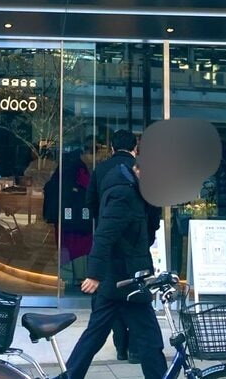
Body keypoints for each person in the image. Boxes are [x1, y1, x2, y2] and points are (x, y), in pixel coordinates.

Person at [65, 158, 166, 379]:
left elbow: (146, 228)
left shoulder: (135, 190)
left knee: (95, 335)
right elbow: (104, 234)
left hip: (120, 278)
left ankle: (69, 375)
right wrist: (94, 274)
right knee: (149, 340)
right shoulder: (124, 194)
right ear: (139, 170)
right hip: (127, 279)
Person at [85, 129, 160, 363]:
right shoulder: (141, 170)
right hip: (136, 247)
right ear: (135, 148)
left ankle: (120, 347)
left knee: (113, 298)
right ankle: (135, 350)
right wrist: (147, 236)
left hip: (110, 246)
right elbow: (154, 211)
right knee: (135, 299)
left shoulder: (101, 170)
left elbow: (91, 203)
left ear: (112, 147)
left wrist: (104, 225)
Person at [43, 148, 94, 289]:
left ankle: (66, 277)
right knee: (81, 247)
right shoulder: (80, 169)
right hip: (80, 217)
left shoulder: (59, 171)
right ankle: (79, 278)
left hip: (62, 218)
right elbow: (88, 187)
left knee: (64, 246)